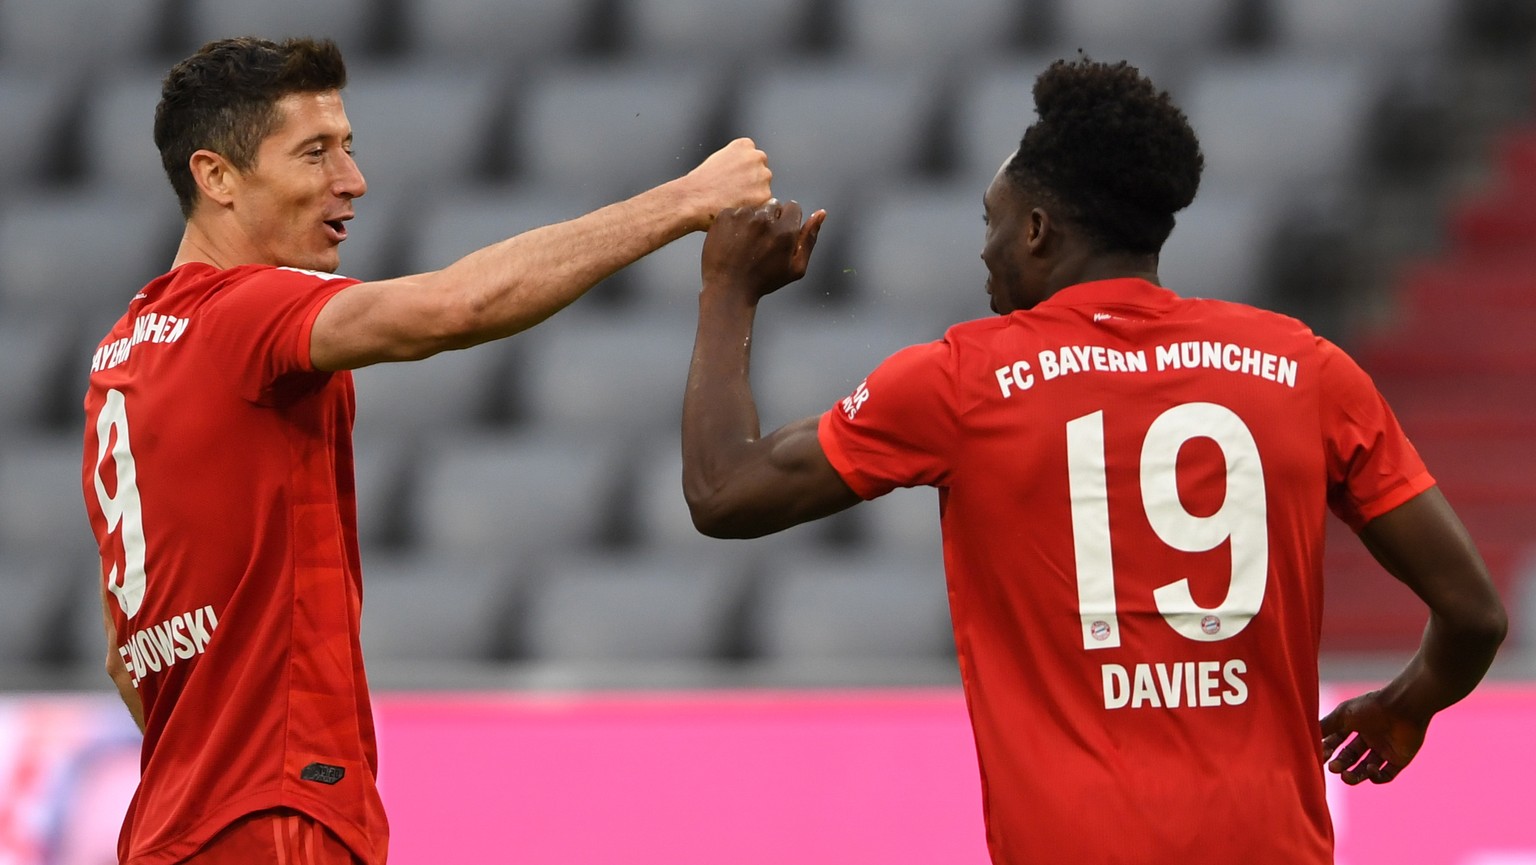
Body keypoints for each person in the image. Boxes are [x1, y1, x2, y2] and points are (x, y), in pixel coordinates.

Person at [680, 57, 1507, 863]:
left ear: (1037, 230)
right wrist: (1409, 703)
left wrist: (728, 291)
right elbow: (1475, 614)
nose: (983, 250)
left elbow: (722, 492)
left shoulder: (963, 381)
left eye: (990, 221)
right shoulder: (1307, 368)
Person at [79, 36, 771, 865]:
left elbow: (128, 660)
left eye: (349, 147)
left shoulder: (122, 357)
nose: (352, 180)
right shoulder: (243, 314)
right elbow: (454, 309)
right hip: (278, 812)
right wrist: (687, 199)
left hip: (170, 826)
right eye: (315, 152)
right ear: (216, 176)